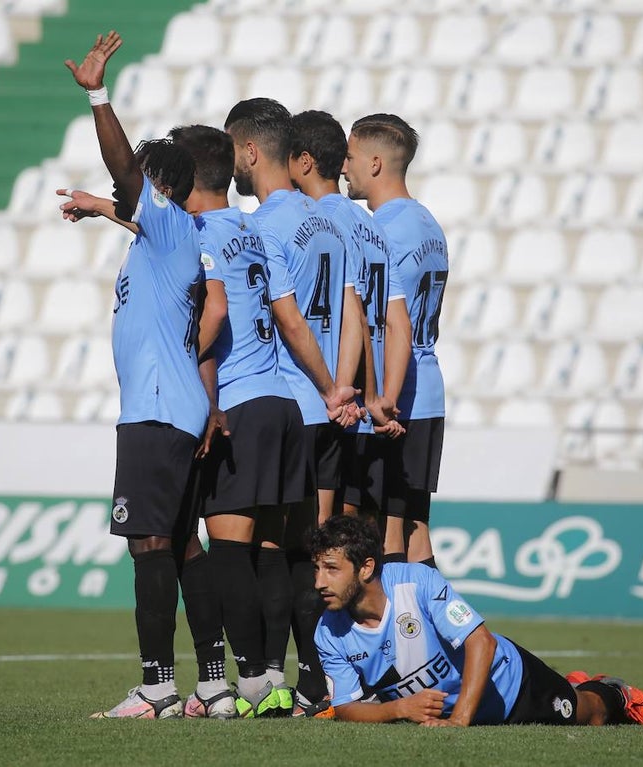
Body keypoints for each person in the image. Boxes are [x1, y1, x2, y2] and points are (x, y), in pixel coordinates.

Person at [57, 31, 227, 721]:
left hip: (156, 410)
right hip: (174, 406)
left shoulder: (167, 223)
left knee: (149, 545)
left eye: (139, 186)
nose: (127, 190)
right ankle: (213, 684)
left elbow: (124, 170)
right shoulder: (167, 238)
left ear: (160, 188)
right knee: (184, 544)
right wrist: (102, 209)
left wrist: (98, 95)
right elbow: (128, 204)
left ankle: (157, 686)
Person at [166, 123, 356, 719]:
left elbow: (213, 314)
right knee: (275, 550)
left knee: (229, 552)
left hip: (242, 403)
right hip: (284, 404)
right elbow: (290, 318)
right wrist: (329, 387)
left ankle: (248, 681)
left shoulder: (197, 233)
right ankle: (276, 677)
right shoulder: (254, 230)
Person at [223, 97, 362, 717]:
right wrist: (345, 388)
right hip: (329, 408)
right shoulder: (328, 220)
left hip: (293, 399)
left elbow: (287, 319)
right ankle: (317, 678)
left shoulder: (265, 227)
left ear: (250, 151)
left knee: (275, 552)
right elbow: (354, 312)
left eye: (232, 150)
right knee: (311, 550)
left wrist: (327, 387)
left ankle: (276, 681)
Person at [309, 515, 643, 727]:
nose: (319, 582)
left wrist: (459, 720)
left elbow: (481, 641)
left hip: (509, 686)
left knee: (588, 715)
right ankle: (575, 682)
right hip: (452, 710)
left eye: (331, 569)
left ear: (366, 568)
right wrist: (398, 709)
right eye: (317, 569)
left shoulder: (415, 583)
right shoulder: (328, 632)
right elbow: (346, 707)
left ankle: (615, 692)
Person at [287, 110, 411, 521]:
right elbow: (394, 320)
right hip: (361, 398)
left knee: (320, 533)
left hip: (338, 399)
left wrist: (358, 393)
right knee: (359, 529)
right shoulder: (371, 225)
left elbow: (354, 311)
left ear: (303, 160)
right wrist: (377, 395)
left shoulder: (319, 220)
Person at [342, 114, 449, 566]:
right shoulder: (429, 224)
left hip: (394, 398)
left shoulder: (382, 231)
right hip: (427, 389)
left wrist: (378, 397)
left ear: (375, 163)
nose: (343, 167)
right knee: (415, 531)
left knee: (382, 537)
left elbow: (383, 321)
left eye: (349, 157)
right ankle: (437, 613)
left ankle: (403, 614)